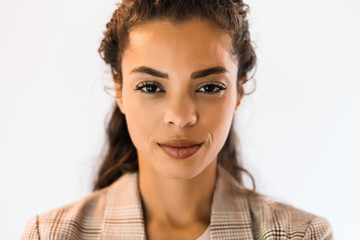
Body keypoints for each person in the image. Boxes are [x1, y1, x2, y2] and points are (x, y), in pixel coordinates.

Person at [22, 0, 333, 239]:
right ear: (119, 88)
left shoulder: (299, 235)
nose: (181, 117)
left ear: (239, 90)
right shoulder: (53, 234)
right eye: (151, 87)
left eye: (209, 87)